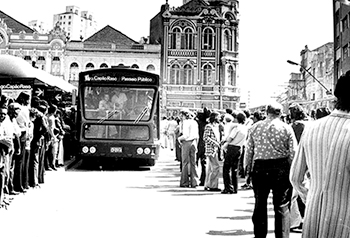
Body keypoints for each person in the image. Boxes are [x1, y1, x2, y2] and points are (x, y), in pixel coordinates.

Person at [290, 71, 350, 238]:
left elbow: (295, 177)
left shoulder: (311, 128)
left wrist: (310, 197)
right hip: (344, 221)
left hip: (313, 216)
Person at [245, 102, 297, 238]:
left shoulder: (254, 127)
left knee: (260, 203)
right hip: (281, 167)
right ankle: (282, 236)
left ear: (266, 112)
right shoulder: (286, 128)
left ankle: (260, 235)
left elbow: (249, 152)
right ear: (280, 113)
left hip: (260, 167)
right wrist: (293, 171)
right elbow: (293, 152)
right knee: (282, 205)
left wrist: (247, 171)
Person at [221, 111, 248, 194]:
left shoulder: (236, 128)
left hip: (232, 147)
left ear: (237, 119)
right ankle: (235, 188)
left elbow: (230, 138)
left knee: (226, 168)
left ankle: (228, 187)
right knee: (234, 169)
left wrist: (224, 144)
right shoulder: (245, 128)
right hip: (239, 148)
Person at [178, 109, 199, 188]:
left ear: (184, 115)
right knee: (193, 163)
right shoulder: (194, 122)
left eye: (181, 115)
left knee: (185, 163)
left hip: (187, 142)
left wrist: (179, 139)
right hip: (194, 142)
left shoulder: (185, 122)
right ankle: (195, 181)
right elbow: (197, 135)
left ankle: (184, 182)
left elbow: (186, 135)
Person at [203, 111, 221, 192]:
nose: (220, 118)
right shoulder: (208, 126)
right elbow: (205, 137)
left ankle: (208, 184)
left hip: (214, 149)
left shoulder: (216, 126)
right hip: (211, 149)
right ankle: (212, 185)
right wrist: (215, 143)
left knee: (210, 168)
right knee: (216, 167)